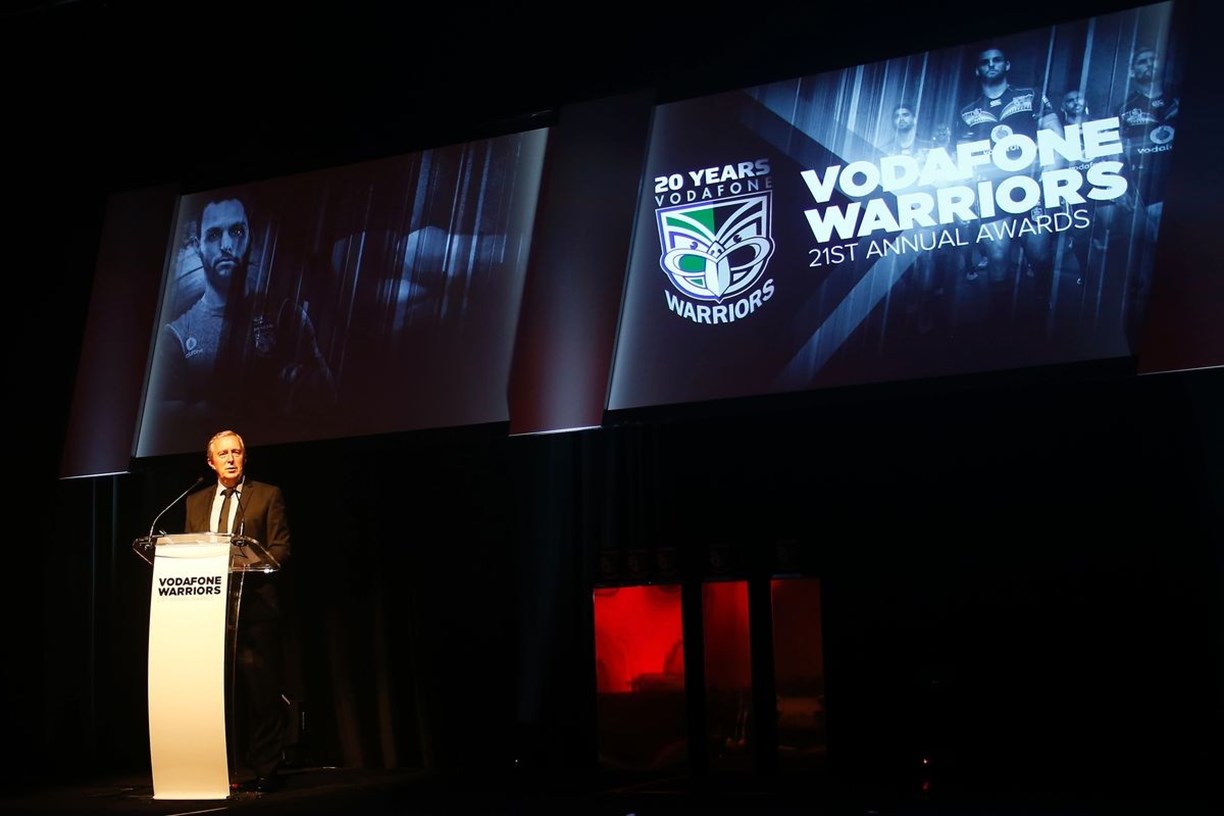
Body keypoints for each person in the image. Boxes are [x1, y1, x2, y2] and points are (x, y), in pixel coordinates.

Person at [151, 194, 337, 445]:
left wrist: (297, 387)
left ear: (251, 238)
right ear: (197, 246)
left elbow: (327, 394)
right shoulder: (176, 336)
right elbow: (163, 423)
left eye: (237, 231)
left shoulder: (286, 315)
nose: (227, 245)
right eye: (214, 235)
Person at [184, 429, 291, 794]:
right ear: (210, 462)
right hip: (209, 610)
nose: (230, 459)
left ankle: (266, 770)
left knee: (261, 696)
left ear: (244, 457)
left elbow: (281, 547)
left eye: (236, 452)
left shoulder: (267, 495)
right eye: (223, 454)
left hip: (256, 610)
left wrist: (251, 564)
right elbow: (189, 550)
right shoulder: (194, 502)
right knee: (214, 696)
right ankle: (217, 767)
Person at [957, 45, 1063, 307]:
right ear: (977, 70)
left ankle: (1043, 299)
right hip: (990, 190)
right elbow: (962, 154)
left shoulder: (1029, 96)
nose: (991, 64)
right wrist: (965, 189)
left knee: (1038, 253)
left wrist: (1053, 172)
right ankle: (1000, 316)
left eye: (997, 60)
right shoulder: (967, 112)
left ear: (1007, 65)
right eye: (985, 62)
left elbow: (1054, 132)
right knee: (997, 254)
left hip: (1031, 184)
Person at [1117, 44, 1179, 347]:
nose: (1149, 64)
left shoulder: (1179, 96)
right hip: (1151, 188)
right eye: (1142, 61)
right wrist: (1123, 188)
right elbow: (1118, 154)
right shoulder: (1124, 110)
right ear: (1132, 71)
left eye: (1154, 58)